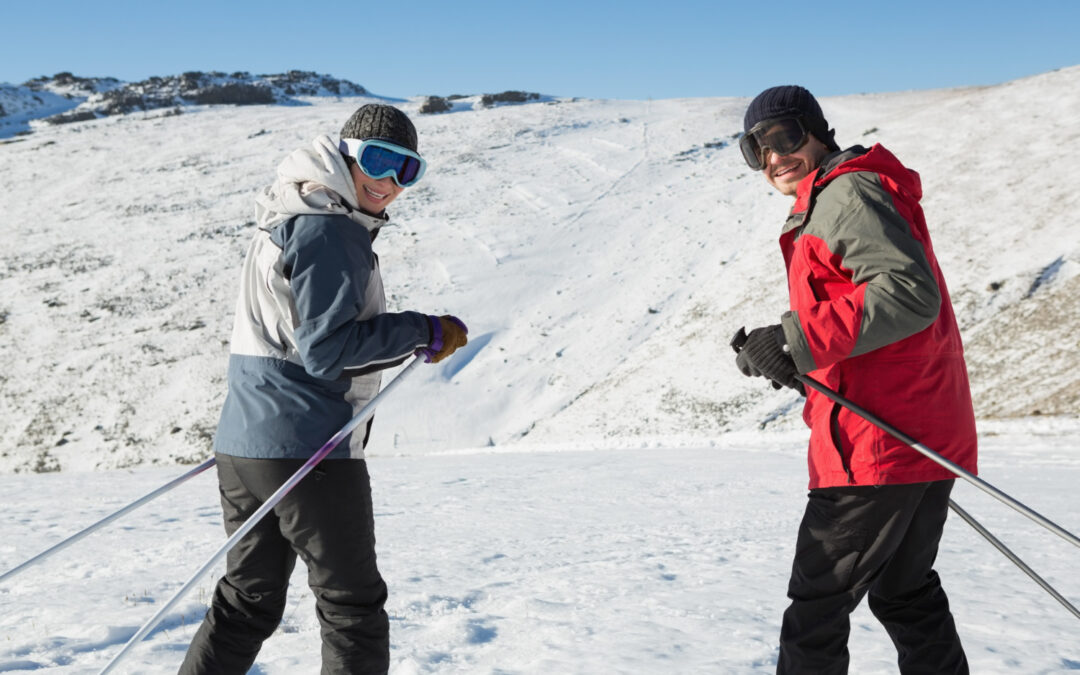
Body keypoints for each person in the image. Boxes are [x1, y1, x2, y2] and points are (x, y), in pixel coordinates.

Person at [180, 104, 468, 675]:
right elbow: (328, 350)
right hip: (309, 448)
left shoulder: (290, 213)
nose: (389, 181)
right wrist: (424, 330)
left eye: (407, 169)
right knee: (351, 607)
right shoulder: (329, 227)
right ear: (344, 155)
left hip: (245, 445)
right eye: (378, 160)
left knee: (247, 601)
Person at [731, 86, 977, 674]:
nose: (773, 157)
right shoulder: (841, 195)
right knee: (903, 592)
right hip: (913, 431)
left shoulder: (847, 192)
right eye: (755, 149)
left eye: (784, 137)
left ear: (817, 131)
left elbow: (908, 295)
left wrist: (793, 339)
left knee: (817, 607)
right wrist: (804, 365)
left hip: (875, 448)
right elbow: (876, 320)